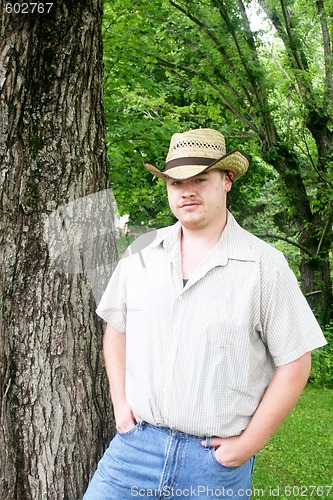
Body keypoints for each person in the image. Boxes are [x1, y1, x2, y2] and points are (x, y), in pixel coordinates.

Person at [84, 128, 326, 499]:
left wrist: (247, 445)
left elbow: (295, 362)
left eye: (200, 178)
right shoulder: (142, 253)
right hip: (134, 452)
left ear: (227, 180)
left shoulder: (264, 266)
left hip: (212, 467)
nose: (187, 191)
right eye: (175, 182)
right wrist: (121, 406)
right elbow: (118, 329)